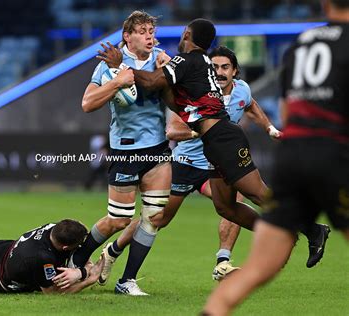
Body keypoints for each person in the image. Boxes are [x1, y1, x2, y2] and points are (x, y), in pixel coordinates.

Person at [97, 18, 330, 273]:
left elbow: (153, 82)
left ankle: (312, 228)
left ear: (186, 34)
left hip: (223, 138)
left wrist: (121, 66)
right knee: (226, 207)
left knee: (258, 193)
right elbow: (177, 103)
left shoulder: (187, 61)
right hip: (214, 142)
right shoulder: (203, 64)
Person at [203, 0, 349, 314]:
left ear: (325, 4)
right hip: (333, 154)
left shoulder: (302, 43)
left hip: (293, 157)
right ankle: (309, 228)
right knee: (232, 203)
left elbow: (286, 108)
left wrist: (270, 128)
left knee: (258, 268)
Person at [98, 46, 283, 284]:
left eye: (225, 67)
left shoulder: (242, 90)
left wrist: (270, 128)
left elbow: (252, 107)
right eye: (214, 66)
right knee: (158, 218)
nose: (219, 72)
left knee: (233, 203)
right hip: (186, 164)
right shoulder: (195, 91)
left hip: (214, 165)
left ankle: (223, 262)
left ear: (235, 71)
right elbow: (172, 130)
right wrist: (205, 131)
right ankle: (113, 251)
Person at [73, 10, 171, 296]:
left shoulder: (162, 60)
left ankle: (127, 280)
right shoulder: (111, 65)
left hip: (157, 149)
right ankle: (79, 258)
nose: (149, 35)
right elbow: (87, 103)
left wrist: (170, 73)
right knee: (119, 219)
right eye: (142, 30)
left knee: (154, 216)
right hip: (126, 150)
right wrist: (116, 81)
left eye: (151, 30)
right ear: (127, 36)